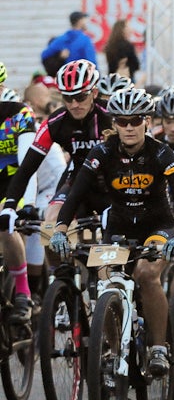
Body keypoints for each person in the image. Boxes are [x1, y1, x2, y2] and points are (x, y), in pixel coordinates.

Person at [48, 89, 174, 377]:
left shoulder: (161, 152)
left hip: (157, 225)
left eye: (135, 120)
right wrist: (61, 229)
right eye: (122, 121)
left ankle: (159, 347)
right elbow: (75, 193)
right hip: (119, 227)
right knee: (106, 280)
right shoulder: (102, 152)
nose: (129, 127)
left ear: (146, 122)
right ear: (114, 123)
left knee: (146, 274)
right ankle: (115, 350)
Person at [2, 61, 111, 261]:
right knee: (50, 227)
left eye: (80, 96)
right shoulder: (55, 122)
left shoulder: (111, 117)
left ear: (94, 93)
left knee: (111, 248)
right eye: (68, 98)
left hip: (113, 184)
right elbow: (26, 168)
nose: (74, 104)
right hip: (77, 179)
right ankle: (62, 276)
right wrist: (10, 206)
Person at [0, 84, 42, 329]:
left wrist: (25, 205)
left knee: (5, 226)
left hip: (14, 184)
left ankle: (23, 292)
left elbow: (28, 165)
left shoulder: (19, 115)